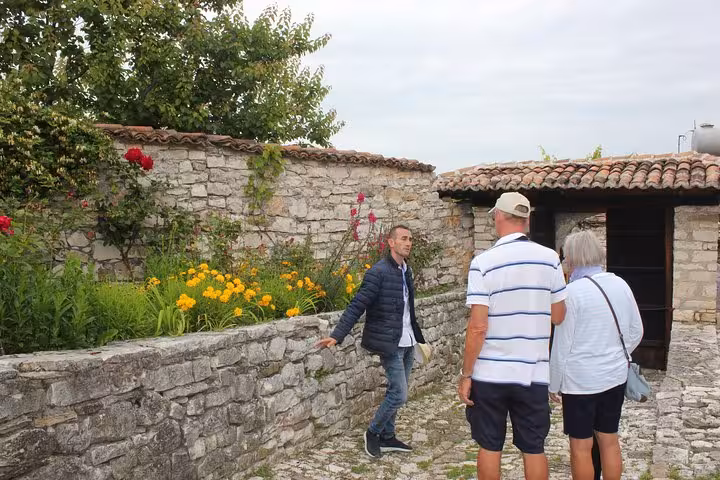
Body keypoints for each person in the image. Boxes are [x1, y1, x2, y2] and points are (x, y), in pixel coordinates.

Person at [458, 192, 567, 480]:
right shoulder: (550, 259)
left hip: (491, 373)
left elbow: (478, 327)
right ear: (527, 219)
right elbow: (558, 316)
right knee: (533, 448)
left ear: (498, 216)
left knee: (490, 445)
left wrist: (466, 374)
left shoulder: (483, 263)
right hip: (532, 371)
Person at [315, 225, 426, 458]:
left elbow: (408, 311)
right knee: (400, 394)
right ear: (391, 242)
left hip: (407, 341)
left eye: (411, 239)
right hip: (389, 343)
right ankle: (373, 433)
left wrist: (419, 338)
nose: (408, 243)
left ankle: (388, 436)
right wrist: (337, 335)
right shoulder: (378, 272)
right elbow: (357, 304)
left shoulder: (406, 270)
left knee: (396, 390)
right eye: (403, 239)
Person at [549, 230, 644, 480]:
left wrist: (554, 384)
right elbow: (636, 330)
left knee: (581, 446)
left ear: (570, 258)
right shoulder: (620, 284)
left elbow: (562, 345)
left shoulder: (572, 293)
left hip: (580, 381)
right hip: (614, 376)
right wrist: (615, 354)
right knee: (609, 440)